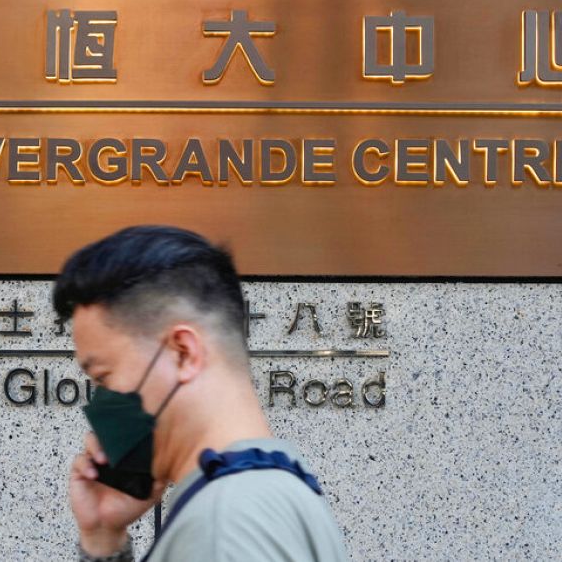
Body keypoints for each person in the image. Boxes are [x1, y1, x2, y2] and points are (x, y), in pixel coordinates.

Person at [53, 225, 347, 562]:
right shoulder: (280, 487)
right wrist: (103, 539)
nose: (101, 401)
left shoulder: (226, 522)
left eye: (103, 377)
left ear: (183, 353)